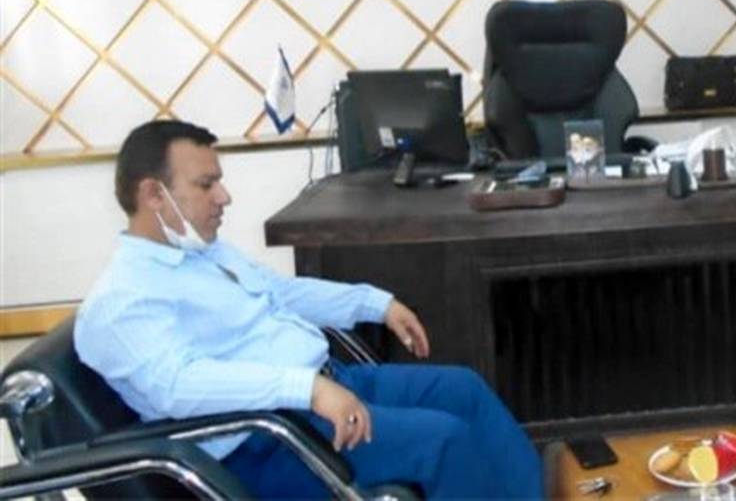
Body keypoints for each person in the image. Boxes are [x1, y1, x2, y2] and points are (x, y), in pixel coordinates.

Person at [74, 120, 543, 499]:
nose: (224, 196)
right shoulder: (121, 302)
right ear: (153, 195)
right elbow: (178, 386)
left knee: (465, 390)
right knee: (442, 442)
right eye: (206, 184)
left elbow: (280, 292)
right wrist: (307, 389)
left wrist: (375, 303)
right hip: (267, 441)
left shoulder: (204, 254)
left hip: (326, 387)